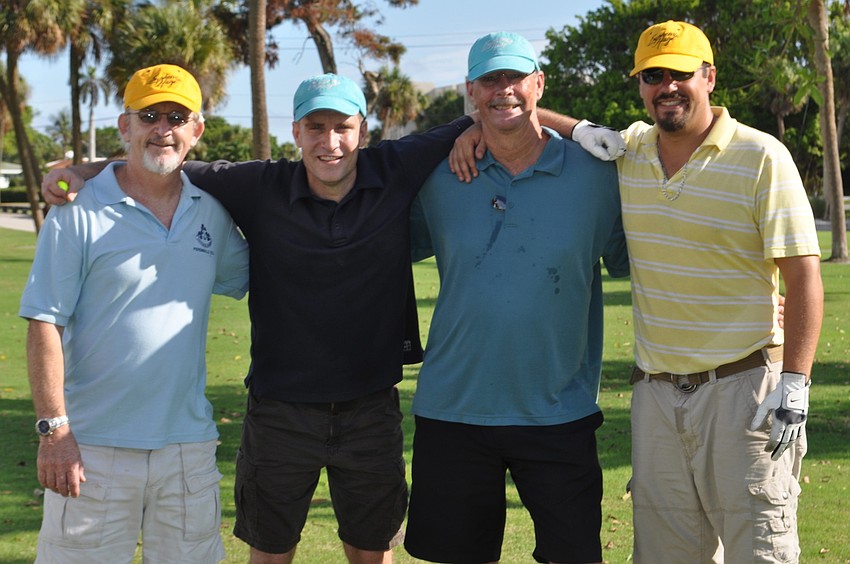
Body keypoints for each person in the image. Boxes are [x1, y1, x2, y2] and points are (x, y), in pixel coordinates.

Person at [42, 72, 624, 562]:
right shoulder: (256, 184)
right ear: (296, 132)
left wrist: (581, 129)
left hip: (371, 407)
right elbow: (160, 160)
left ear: (362, 132)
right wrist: (78, 169)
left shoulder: (396, 168)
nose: (330, 143)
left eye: (343, 127)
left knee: (372, 552)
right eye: (315, 128)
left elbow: (503, 110)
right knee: (270, 552)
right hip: (278, 410)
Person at [450, 21, 823, 563]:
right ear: (641, 85)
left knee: (758, 550)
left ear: (709, 77)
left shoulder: (762, 156)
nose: (666, 86)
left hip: (744, 390)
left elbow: (804, 276)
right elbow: (531, 118)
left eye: (679, 73)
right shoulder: (630, 151)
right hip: (656, 396)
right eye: (653, 76)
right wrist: (482, 126)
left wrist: (795, 381)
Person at [403, 32, 629, 564]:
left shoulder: (598, 176)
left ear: (538, 84)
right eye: (490, 80)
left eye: (514, 78)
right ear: (471, 92)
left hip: (560, 412)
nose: (502, 90)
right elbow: (368, 241)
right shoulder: (437, 177)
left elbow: (643, 261)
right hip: (454, 409)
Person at [20, 64, 249, 563]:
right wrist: (54, 431)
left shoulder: (211, 210)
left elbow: (255, 278)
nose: (162, 128)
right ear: (125, 126)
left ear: (197, 129)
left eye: (176, 116)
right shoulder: (75, 209)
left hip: (187, 450)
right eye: (149, 115)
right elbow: (44, 323)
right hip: (90, 449)